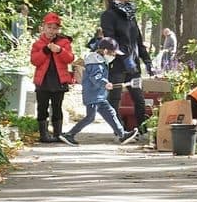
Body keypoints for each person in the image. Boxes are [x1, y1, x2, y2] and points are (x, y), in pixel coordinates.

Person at [100, 0, 154, 140]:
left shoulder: (130, 14)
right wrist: (122, 56)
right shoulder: (108, 15)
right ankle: (119, 131)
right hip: (117, 64)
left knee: (139, 98)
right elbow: (110, 40)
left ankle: (141, 130)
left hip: (133, 65)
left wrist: (147, 60)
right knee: (114, 98)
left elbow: (137, 40)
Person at [65, 38, 128, 145]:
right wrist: (105, 84)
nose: (114, 56)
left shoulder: (99, 61)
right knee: (90, 117)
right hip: (93, 95)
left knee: (111, 112)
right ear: (105, 51)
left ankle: (122, 134)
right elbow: (96, 77)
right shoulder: (95, 63)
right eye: (113, 53)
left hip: (99, 95)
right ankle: (69, 134)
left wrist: (104, 85)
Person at [28, 13, 76, 145]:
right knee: (42, 107)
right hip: (43, 81)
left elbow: (70, 58)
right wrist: (45, 50)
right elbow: (34, 61)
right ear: (43, 27)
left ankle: (58, 133)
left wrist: (60, 50)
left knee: (57, 107)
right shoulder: (38, 44)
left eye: (55, 28)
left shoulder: (64, 42)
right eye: (49, 27)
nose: (52, 30)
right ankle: (44, 134)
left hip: (59, 80)